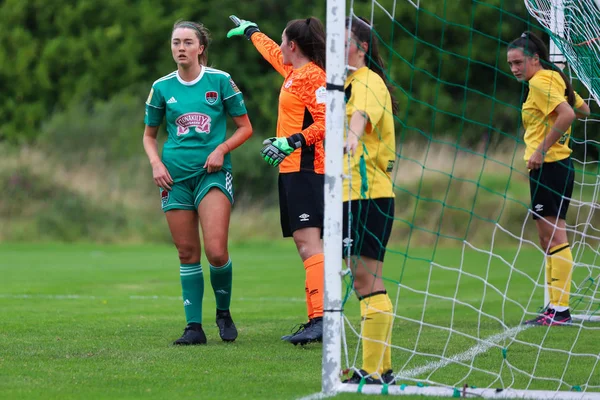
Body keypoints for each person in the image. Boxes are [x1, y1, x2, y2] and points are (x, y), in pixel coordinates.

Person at [143, 20, 253, 345]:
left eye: (187, 42)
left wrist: (222, 148)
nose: (181, 48)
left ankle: (223, 312)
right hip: (174, 177)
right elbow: (149, 136)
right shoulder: (161, 87)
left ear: (200, 47)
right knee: (187, 252)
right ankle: (193, 328)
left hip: (212, 174)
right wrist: (155, 164)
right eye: (176, 42)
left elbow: (245, 127)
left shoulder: (220, 81)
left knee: (216, 252)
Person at [227, 16, 327, 345]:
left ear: (294, 45)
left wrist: (292, 141)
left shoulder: (313, 76)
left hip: (308, 170)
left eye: (284, 41)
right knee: (306, 245)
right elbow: (273, 53)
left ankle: (322, 319)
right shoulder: (294, 73)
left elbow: (330, 122)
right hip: (292, 171)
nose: (280, 46)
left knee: (309, 244)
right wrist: (254, 32)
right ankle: (318, 318)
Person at [507, 31, 590, 326]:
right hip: (560, 166)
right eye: (511, 64)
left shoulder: (541, 82)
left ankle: (559, 309)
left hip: (550, 167)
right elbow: (584, 108)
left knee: (553, 237)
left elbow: (568, 114)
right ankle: (555, 307)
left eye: (519, 62)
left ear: (534, 59)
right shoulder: (553, 79)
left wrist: (541, 150)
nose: (515, 68)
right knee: (548, 238)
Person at [340, 17, 398, 385]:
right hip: (352, 193)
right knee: (363, 279)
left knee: (367, 277)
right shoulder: (344, 84)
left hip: (368, 192)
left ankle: (376, 370)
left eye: (342, 42)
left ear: (361, 47)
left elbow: (361, 114)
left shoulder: (367, 81)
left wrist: (351, 136)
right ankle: (380, 368)